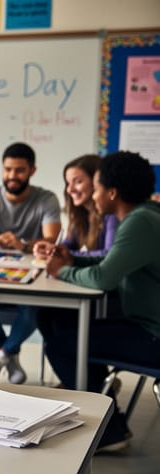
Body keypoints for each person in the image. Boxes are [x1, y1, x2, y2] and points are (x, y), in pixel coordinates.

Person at [39, 151, 160, 452]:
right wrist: (73, 259)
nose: (93, 195)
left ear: (112, 192)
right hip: (146, 324)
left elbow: (104, 278)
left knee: (61, 345)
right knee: (64, 323)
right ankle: (103, 410)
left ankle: (110, 431)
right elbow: (112, 260)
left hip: (152, 334)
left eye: (95, 187)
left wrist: (62, 270)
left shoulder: (139, 222)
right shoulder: (145, 215)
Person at [0, 142, 61, 384]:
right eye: (7, 170)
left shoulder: (46, 199)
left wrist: (23, 245)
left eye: (19, 170)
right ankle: (8, 354)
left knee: (33, 306)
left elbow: (52, 240)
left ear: (32, 171)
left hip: (30, 280)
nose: (12, 176)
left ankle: (2, 355)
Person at [33, 154, 119, 260]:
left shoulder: (112, 215)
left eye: (78, 182)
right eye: (68, 183)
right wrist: (50, 249)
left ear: (97, 182)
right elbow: (68, 245)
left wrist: (67, 254)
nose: (69, 189)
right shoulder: (81, 213)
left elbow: (109, 255)